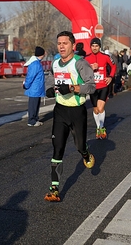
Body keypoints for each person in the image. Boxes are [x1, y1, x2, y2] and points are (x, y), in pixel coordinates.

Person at [44, 31, 96, 202]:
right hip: (60, 110)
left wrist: (73, 88)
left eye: (65, 43)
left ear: (73, 45)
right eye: (59, 43)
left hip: (77, 111)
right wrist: (49, 89)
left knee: (79, 145)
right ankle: (54, 189)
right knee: (57, 147)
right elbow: (51, 80)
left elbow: (91, 87)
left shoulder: (80, 64)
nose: (61, 46)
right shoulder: (55, 63)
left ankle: (86, 154)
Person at [85, 37, 116, 139]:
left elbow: (113, 66)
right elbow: (81, 70)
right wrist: (90, 68)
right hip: (93, 87)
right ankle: (98, 127)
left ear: (99, 47)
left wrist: (110, 77)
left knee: (101, 108)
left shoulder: (105, 56)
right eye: (93, 46)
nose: (94, 48)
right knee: (95, 110)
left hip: (103, 86)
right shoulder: (86, 58)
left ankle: (101, 127)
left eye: (96, 46)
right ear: (90, 47)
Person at [23, 46, 46, 127]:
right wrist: (26, 85)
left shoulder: (36, 63)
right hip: (35, 89)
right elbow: (30, 76)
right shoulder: (35, 64)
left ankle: (35, 118)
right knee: (33, 105)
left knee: (35, 105)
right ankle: (32, 120)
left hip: (36, 88)